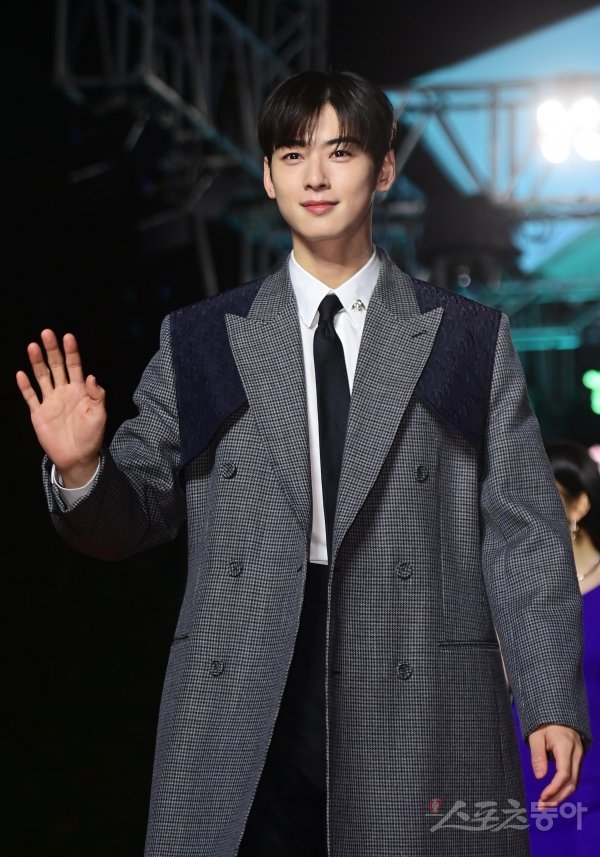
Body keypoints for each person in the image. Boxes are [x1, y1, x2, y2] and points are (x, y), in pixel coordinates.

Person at [16, 69, 591, 857]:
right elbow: (133, 515)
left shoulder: (466, 338)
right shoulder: (204, 338)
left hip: (418, 679)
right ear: (267, 175)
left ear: (383, 169)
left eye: (340, 152)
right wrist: (84, 469)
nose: (315, 176)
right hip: (246, 685)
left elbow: (524, 533)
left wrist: (550, 697)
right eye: (292, 155)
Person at [513, 439, 600, 856]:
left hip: (591, 774)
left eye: (543, 492)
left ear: (580, 505)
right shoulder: (516, 588)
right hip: (524, 770)